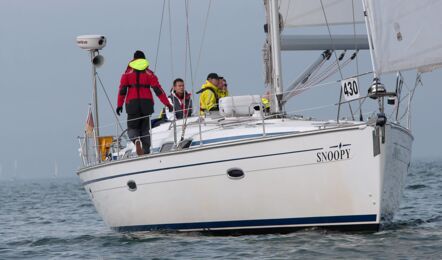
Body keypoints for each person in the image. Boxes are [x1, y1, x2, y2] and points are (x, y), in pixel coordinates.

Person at [116, 50, 173, 155]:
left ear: (133, 59)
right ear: (144, 59)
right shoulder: (149, 74)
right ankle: (146, 151)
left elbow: (122, 91)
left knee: (132, 128)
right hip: (146, 104)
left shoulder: (127, 74)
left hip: (132, 104)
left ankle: (136, 140)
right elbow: (158, 90)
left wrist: (119, 105)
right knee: (145, 129)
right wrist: (167, 104)